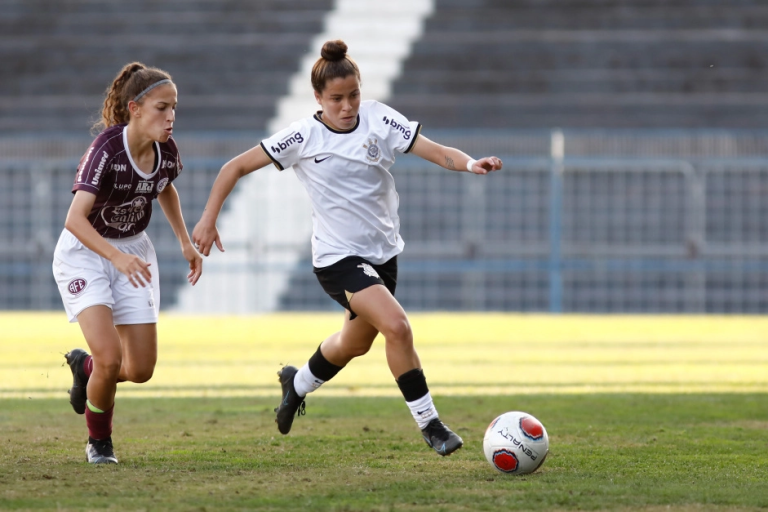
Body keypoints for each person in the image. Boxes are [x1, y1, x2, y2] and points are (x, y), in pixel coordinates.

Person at [192, 40, 502, 456]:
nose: (347, 106)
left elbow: (437, 151)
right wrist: (209, 219)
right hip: (337, 259)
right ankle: (431, 425)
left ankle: (296, 383)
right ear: (318, 98)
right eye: (336, 98)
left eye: (353, 94)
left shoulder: (379, 118)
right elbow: (236, 166)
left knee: (354, 344)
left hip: (383, 254)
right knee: (398, 327)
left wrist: (470, 163)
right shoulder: (302, 136)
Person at [53, 62, 202, 464]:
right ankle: (99, 443)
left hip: (132, 253)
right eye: (161, 108)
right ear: (134, 108)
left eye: (174, 108)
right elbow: (74, 219)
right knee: (110, 358)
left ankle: (85, 370)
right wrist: (114, 257)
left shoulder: (165, 149)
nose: (170, 117)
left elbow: (165, 186)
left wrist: (185, 243)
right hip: (86, 254)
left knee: (140, 370)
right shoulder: (106, 149)